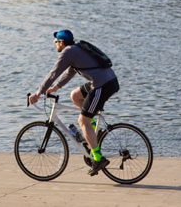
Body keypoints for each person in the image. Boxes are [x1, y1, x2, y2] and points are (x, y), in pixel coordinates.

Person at [29, 29, 119, 176]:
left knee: (83, 121)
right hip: (105, 81)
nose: (55, 45)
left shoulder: (67, 52)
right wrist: (56, 88)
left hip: (103, 85)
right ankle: (94, 131)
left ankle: (98, 158)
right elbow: (70, 72)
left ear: (61, 42)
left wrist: (38, 93)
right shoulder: (75, 49)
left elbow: (53, 73)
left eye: (56, 42)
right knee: (75, 96)